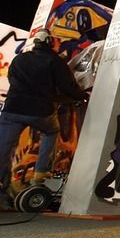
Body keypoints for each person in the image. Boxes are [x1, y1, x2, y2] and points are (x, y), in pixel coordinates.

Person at [0, 28, 88, 200]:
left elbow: (12, 79)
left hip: (14, 109)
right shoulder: (55, 61)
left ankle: (3, 183)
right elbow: (68, 87)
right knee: (51, 132)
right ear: (49, 42)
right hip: (41, 111)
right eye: (55, 41)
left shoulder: (20, 59)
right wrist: (83, 96)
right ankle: (40, 173)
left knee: (4, 145)